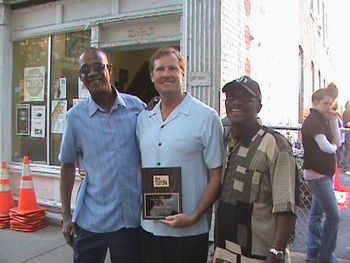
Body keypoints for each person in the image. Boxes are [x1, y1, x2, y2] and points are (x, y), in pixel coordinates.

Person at [136, 47, 223, 263]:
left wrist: (193, 217)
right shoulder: (143, 119)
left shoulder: (206, 117)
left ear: (182, 73)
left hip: (189, 232)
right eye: (160, 69)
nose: (166, 74)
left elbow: (216, 176)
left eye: (173, 68)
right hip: (150, 228)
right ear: (152, 76)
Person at [59, 47, 145, 263]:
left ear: (110, 70)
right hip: (91, 220)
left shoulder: (137, 108)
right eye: (85, 69)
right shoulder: (75, 118)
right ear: (81, 77)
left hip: (130, 220)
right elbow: (67, 166)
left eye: (98, 67)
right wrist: (66, 217)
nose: (92, 73)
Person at [214, 76, 299, 263]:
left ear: (259, 106)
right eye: (231, 97)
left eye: (245, 98)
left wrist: (277, 252)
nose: (236, 102)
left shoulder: (276, 145)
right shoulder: (223, 141)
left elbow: (286, 206)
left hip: (260, 254)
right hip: (224, 250)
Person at [302, 87, 341, 263]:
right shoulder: (313, 121)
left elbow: (338, 140)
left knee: (317, 214)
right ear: (316, 102)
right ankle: (325, 256)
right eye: (325, 103)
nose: (328, 106)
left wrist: (333, 122)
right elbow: (326, 146)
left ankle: (313, 253)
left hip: (322, 173)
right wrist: (334, 148)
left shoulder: (323, 119)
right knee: (333, 216)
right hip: (317, 174)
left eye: (330, 103)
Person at [342, 100, 350, 173]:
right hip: (347, 135)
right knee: (348, 151)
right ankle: (346, 167)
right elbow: (347, 124)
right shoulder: (346, 113)